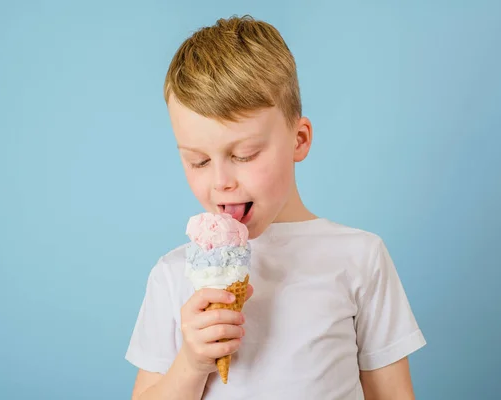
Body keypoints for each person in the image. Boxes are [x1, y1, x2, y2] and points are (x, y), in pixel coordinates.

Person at [125, 14, 426, 400]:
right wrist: (191, 362)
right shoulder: (172, 276)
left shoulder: (360, 257)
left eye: (245, 154)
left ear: (298, 140)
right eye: (198, 161)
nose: (221, 181)